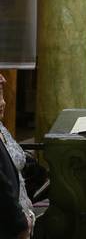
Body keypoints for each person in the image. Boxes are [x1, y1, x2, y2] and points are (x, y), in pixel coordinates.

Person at [0, 73, 31, 238]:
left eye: (1, 95)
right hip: (9, 223)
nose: (3, 103)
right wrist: (20, 223)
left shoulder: (1, 128)